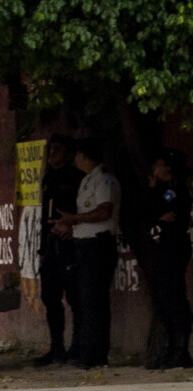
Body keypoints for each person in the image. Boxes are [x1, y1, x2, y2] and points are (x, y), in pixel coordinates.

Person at [56, 137, 120, 370]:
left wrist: (74, 219)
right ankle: (87, 352)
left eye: (77, 155)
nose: (75, 159)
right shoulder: (86, 180)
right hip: (84, 245)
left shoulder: (104, 180)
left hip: (98, 246)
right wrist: (70, 226)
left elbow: (104, 212)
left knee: (95, 300)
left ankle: (96, 355)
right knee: (85, 299)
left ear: (85, 156)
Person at [139, 150, 191, 369]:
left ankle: (180, 350)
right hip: (157, 249)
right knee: (161, 299)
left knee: (174, 298)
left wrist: (156, 217)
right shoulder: (156, 190)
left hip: (172, 249)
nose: (155, 169)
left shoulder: (176, 191)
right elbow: (145, 214)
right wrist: (152, 191)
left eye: (159, 164)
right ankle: (168, 347)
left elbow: (169, 216)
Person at [34, 136, 82, 366]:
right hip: (50, 244)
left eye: (58, 149)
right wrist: (43, 248)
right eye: (51, 149)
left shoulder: (77, 178)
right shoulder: (48, 177)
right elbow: (45, 216)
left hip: (69, 243)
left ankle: (78, 345)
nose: (53, 153)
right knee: (50, 297)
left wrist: (74, 227)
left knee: (75, 297)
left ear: (69, 153)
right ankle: (56, 347)